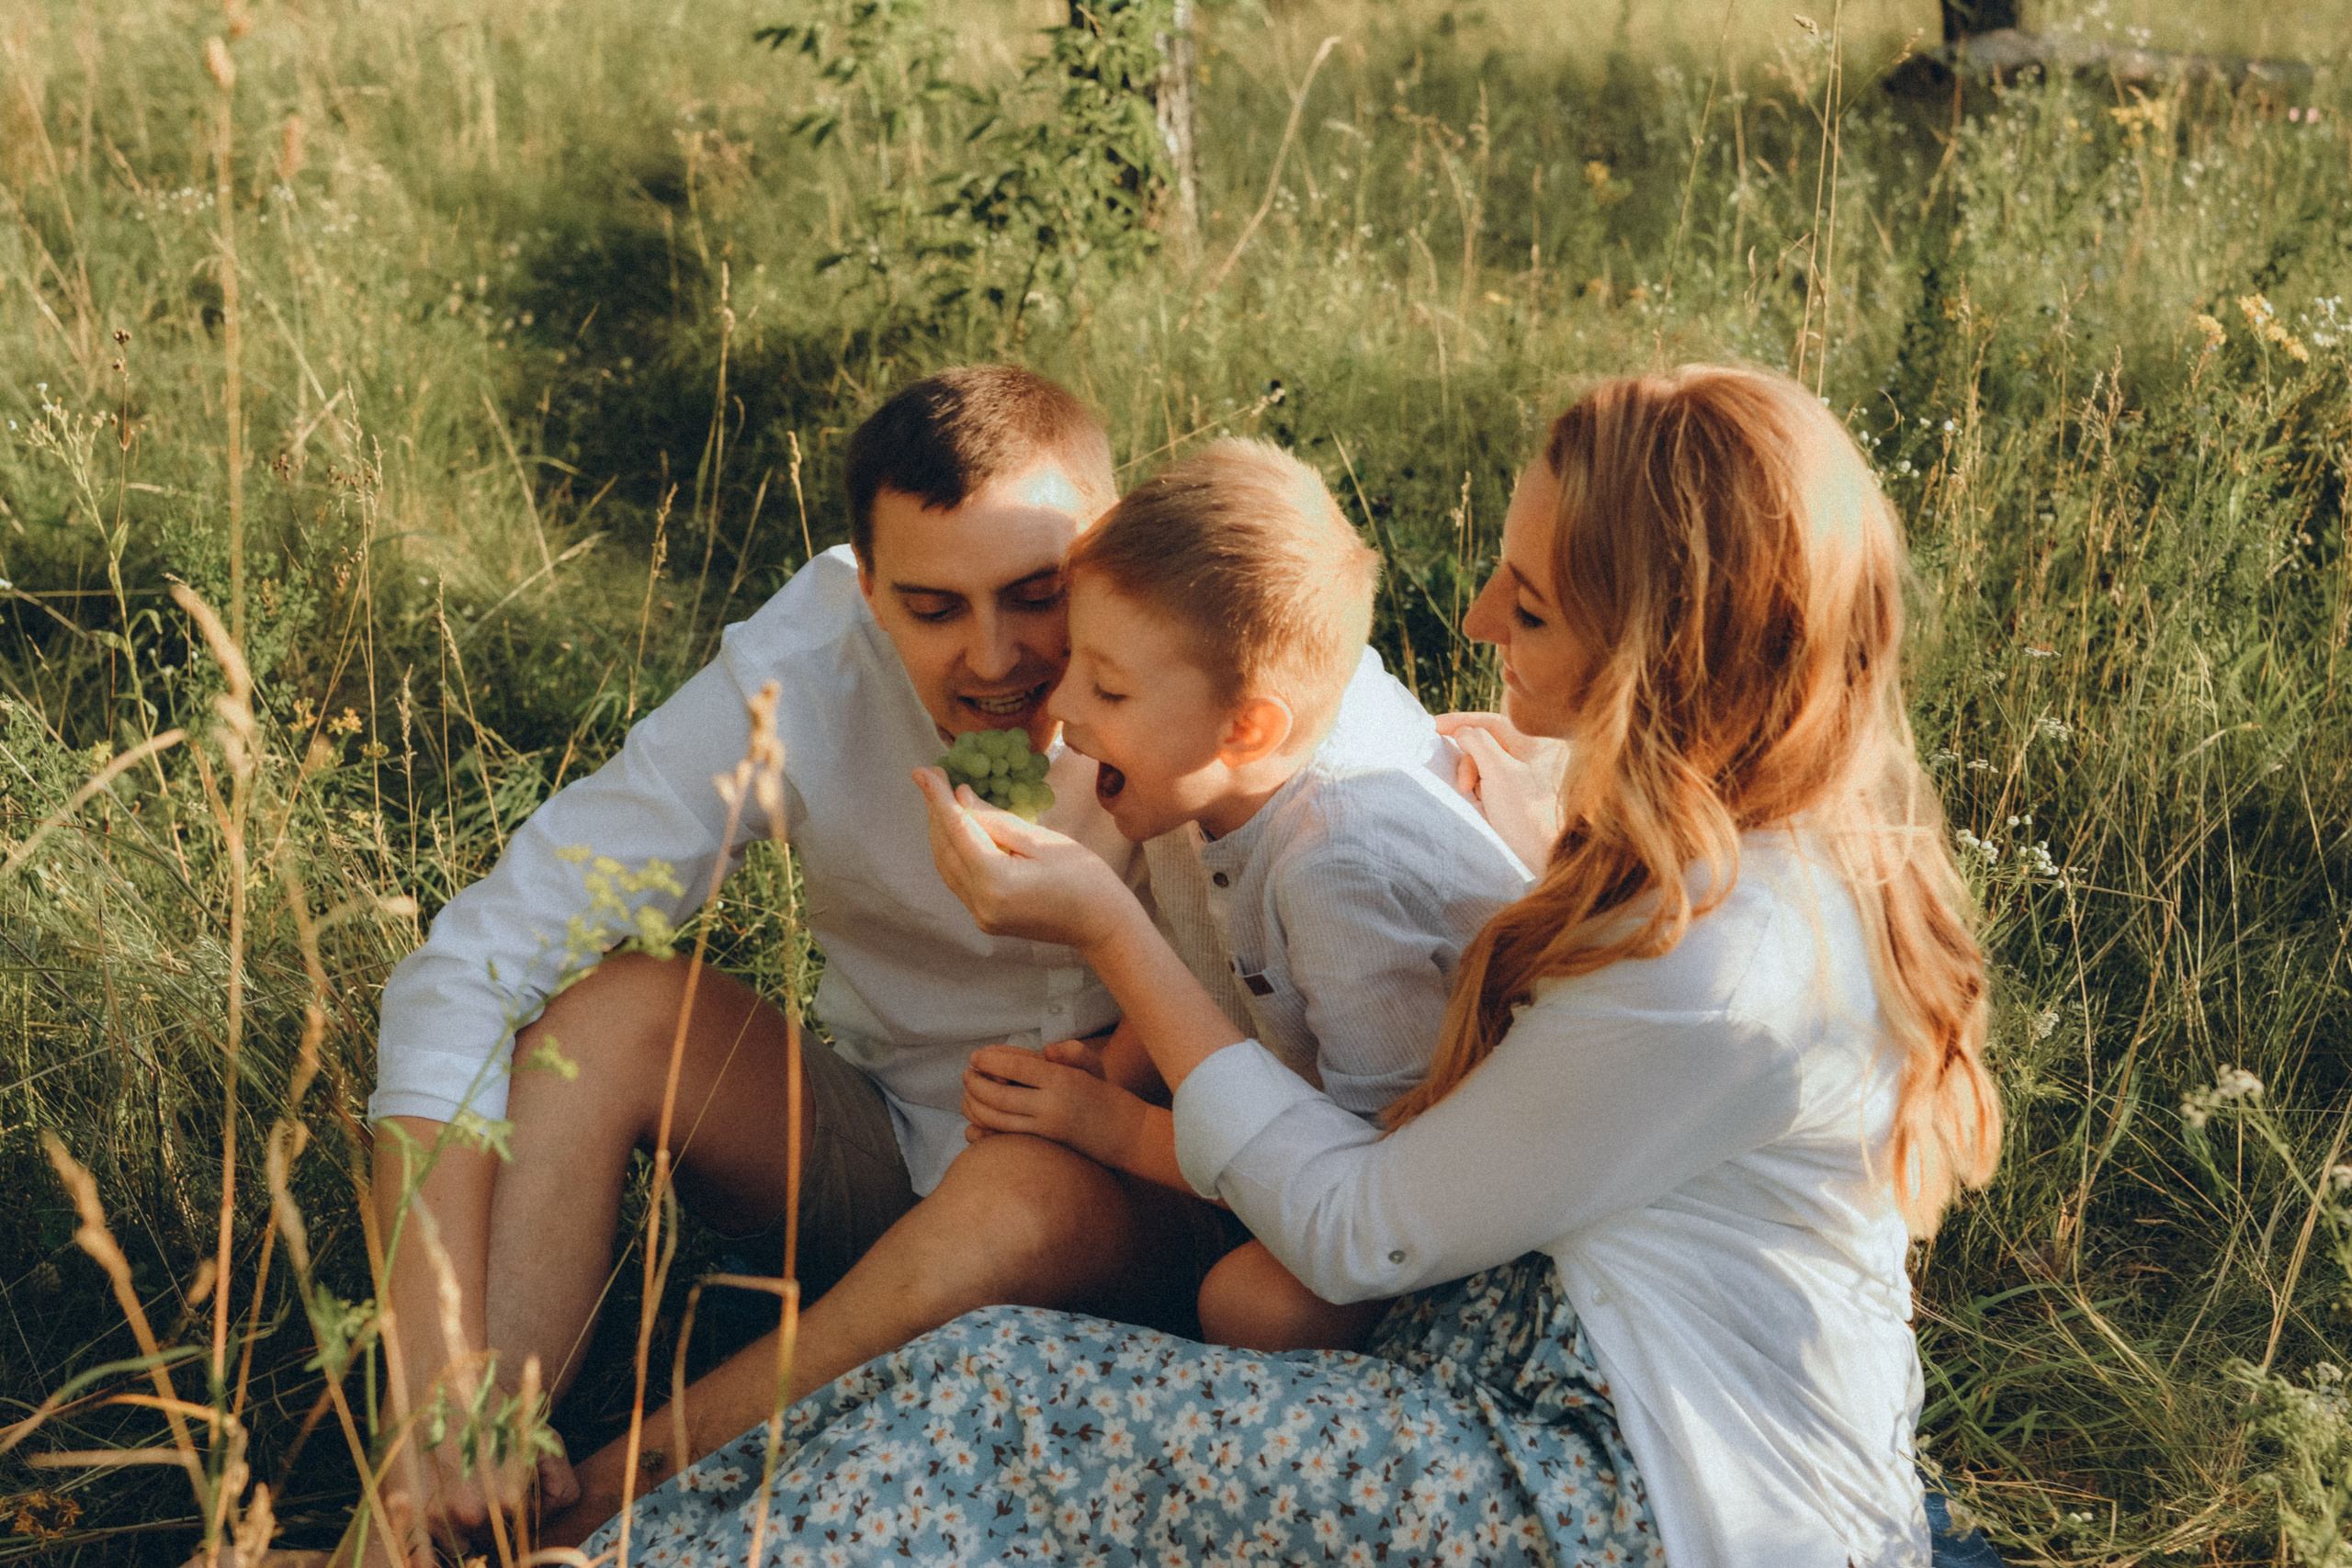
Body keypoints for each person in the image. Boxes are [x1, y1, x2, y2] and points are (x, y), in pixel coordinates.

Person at [584, 363, 2005, 1567]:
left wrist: (1110, 931)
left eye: (1530, 605)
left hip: (1651, 1494)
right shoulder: (1739, 831)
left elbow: (1358, 1228)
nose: (1479, 618)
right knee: (1067, 1376)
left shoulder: (1724, 968)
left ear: (1659, 647)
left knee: (1001, 1395)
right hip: (1570, 1357)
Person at [365, 366, 1243, 1561]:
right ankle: (455, 1472)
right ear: (869, 589)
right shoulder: (809, 662)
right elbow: (473, 961)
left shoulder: (1203, 640)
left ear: (1104, 548)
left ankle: (576, 1515)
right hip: (884, 1149)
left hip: (1145, 1190)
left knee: (1017, 1195)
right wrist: (433, 1383)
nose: (995, 657)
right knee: (610, 1016)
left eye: (1036, 595)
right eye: (932, 608)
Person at [955, 437, 1530, 1353]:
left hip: (1462, 1195)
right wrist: (1110, 1070)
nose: (1061, 705)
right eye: (1072, 663)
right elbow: (1215, 962)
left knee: (1254, 1304)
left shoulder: (1338, 864)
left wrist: (1114, 1126)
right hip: (1350, 1135)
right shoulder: (1207, 769)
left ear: (1249, 728)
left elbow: (1370, 1176)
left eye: (1106, 687)